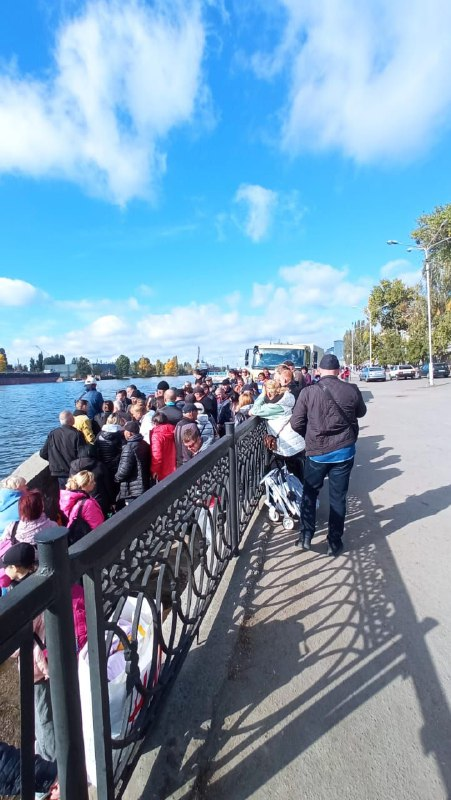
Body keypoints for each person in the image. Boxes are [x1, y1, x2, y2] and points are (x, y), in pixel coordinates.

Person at [290, 353, 367, 555]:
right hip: (344, 451)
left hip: (317, 452)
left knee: (309, 493)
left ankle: (306, 536)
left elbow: (295, 423)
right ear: (339, 371)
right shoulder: (351, 390)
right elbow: (361, 413)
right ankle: (334, 542)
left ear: (319, 371)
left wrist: (310, 435)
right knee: (338, 498)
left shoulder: (308, 392)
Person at [250, 380, 305, 482]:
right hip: (296, 440)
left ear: (269, 392)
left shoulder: (275, 407)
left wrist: (262, 395)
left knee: (292, 476)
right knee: (298, 473)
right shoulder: (286, 398)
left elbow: (254, 411)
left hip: (287, 445)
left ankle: (295, 494)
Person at [40, 411, 85, 488]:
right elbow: (82, 455)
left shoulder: (52, 433)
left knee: (64, 495)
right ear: (71, 420)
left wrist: (54, 461)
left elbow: (43, 453)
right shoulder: (77, 434)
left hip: (57, 472)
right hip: (72, 471)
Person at [59, 471, 105, 540]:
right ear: (84, 485)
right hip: (92, 540)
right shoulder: (88, 504)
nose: (94, 483)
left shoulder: (72, 499)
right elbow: (98, 527)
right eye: (92, 482)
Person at [115, 421, 150, 504]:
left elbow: (124, 470)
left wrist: (116, 478)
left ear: (129, 433)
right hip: (145, 484)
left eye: (125, 431)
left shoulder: (129, 448)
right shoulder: (144, 444)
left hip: (132, 490)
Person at [150, 412, 176, 482]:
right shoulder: (174, 429)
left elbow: (157, 455)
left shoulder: (156, 435)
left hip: (163, 470)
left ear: (155, 422)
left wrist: (155, 470)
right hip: (175, 466)